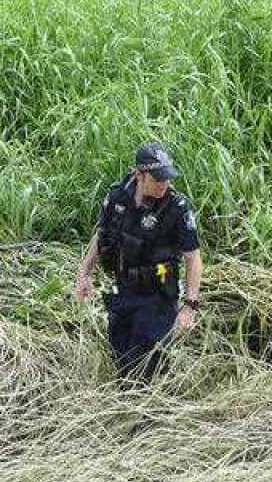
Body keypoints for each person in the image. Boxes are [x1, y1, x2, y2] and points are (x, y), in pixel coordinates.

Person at [75, 142, 203, 381]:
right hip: (124, 289)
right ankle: (128, 408)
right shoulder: (117, 196)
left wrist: (190, 306)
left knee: (147, 367)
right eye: (157, 179)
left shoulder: (177, 207)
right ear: (139, 175)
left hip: (158, 295)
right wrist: (84, 273)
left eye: (167, 178)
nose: (164, 185)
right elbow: (101, 234)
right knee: (121, 358)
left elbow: (193, 258)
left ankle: (149, 414)